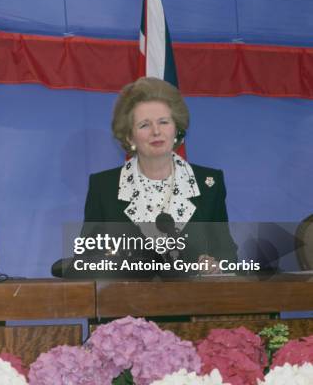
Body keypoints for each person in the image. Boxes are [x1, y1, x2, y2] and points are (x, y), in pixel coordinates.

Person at [81, 77, 237, 275]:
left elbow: (227, 253)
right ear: (130, 136)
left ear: (176, 129)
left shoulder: (208, 184)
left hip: (193, 302)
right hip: (128, 302)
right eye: (144, 125)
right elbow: (86, 258)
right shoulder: (104, 186)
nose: (156, 131)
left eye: (163, 122)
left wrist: (216, 266)